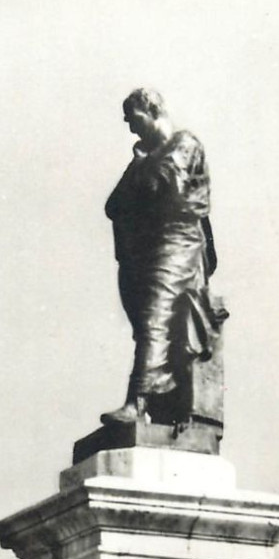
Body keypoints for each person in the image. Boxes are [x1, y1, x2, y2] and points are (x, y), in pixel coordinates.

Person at [102, 89, 227, 425]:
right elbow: (113, 206)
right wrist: (142, 166)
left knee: (157, 317)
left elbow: (164, 183)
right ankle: (157, 403)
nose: (130, 128)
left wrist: (142, 165)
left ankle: (137, 402)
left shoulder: (185, 144)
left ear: (151, 108)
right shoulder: (146, 157)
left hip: (178, 244)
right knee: (148, 326)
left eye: (133, 118)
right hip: (148, 252)